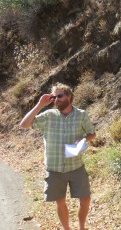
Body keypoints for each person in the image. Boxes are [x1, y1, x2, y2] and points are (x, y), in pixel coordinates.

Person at [20, 83, 96, 230]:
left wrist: (82, 141)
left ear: (69, 96)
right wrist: (40, 104)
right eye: (54, 97)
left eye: (60, 96)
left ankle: (81, 227)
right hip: (54, 168)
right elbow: (24, 125)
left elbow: (92, 134)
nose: (57, 100)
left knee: (85, 199)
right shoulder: (49, 116)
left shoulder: (81, 115)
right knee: (60, 202)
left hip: (76, 166)